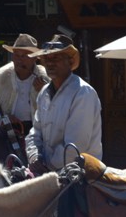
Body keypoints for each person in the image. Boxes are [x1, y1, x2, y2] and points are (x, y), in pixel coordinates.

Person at [25, 34, 102, 174]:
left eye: (56, 57)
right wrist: (35, 156)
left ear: (70, 61)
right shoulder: (44, 93)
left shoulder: (82, 92)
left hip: (81, 174)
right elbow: (35, 132)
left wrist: (46, 166)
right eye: (47, 58)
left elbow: (74, 148)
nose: (50, 62)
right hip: (49, 174)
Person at [0, 34, 49, 143]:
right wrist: (3, 120)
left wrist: (44, 91)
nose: (20, 60)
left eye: (25, 56)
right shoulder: (1, 78)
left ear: (35, 58)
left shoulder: (45, 79)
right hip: (6, 132)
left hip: (37, 135)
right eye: (17, 55)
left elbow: (55, 108)